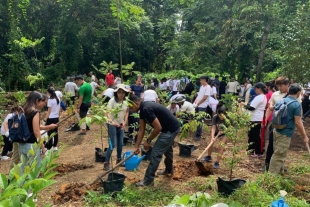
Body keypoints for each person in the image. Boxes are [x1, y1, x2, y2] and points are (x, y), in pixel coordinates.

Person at [128, 95, 180, 187]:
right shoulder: (143, 110)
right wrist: (136, 146)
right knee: (167, 149)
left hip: (171, 129)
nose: (130, 109)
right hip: (168, 128)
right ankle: (169, 170)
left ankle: (148, 180)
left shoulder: (146, 109)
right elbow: (141, 129)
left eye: (131, 107)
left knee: (156, 153)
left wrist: (148, 140)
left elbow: (158, 128)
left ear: (136, 104)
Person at [269, 84, 309, 175]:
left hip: (276, 130)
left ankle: (280, 173)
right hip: (285, 133)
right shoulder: (296, 105)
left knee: (279, 153)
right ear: (298, 93)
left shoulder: (281, 101)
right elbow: (298, 122)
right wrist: (304, 136)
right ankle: (271, 178)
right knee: (279, 155)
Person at [19, 91, 57, 172]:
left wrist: (48, 127)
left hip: (22, 145)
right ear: (37, 101)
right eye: (44, 102)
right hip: (31, 146)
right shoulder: (35, 112)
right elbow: (36, 131)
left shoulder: (23, 110)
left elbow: (34, 126)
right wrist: (43, 147)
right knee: (34, 172)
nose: (45, 104)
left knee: (24, 171)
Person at [262, 76, 290, 171]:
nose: (279, 88)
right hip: (275, 124)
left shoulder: (293, 95)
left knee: (282, 147)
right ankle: (267, 164)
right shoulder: (275, 94)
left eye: (281, 86)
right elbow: (270, 107)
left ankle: (280, 165)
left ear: (287, 85)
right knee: (271, 145)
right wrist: (266, 121)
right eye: (278, 86)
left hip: (287, 126)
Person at [103, 84, 129, 170]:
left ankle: (119, 159)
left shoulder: (125, 101)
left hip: (120, 124)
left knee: (120, 143)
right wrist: (112, 122)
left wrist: (124, 122)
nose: (121, 94)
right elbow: (107, 112)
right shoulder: (112, 101)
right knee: (113, 143)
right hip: (112, 124)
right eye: (119, 92)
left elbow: (126, 112)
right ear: (116, 93)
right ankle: (106, 162)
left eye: (123, 92)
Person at [243, 82, 267, 157]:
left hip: (256, 118)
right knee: (251, 135)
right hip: (255, 118)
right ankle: (250, 149)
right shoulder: (262, 97)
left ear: (259, 89)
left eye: (256, 89)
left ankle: (257, 151)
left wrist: (244, 105)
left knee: (255, 136)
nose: (255, 90)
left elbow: (252, 107)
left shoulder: (259, 97)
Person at [203, 104, 228, 169]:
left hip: (225, 133)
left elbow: (232, 129)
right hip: (216, 132)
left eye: (222, 115)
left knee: (220, 147)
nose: (221, 117)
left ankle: (217, 162)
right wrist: (212, 137)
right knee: (210, 143)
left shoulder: (229, 119)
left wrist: (224, 131)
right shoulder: (215, 117)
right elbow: (213, 127)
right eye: (219, 115)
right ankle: (209, 156)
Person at [193, 76, 211, 140]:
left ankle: (198, 135)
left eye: (201, 80)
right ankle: (197, 132)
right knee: (197, 119)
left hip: (203, 106)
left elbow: (204, 98)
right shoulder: (202, 87)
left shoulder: (208, 87)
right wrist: (195, 101)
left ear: (204, 80)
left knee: (200, 120)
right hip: (198, 105)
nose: (200, 81)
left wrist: (198, 103)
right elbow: (199, 95)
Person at [44, 87, 61, 151]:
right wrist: (58, 116)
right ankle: (55, 146)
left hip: (50, 118)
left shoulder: (50, 100)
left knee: (50, 133)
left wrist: (45, 119)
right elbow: (59, 109)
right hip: (56, 118)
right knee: (55, 132)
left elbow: (49, 111)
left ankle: (50, 146)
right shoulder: (58, 99)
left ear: (48, 93)